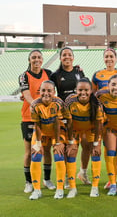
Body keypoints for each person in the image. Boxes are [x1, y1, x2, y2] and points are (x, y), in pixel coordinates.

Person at [50, 47, 87, 187]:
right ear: (60, 58)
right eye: (64, 55)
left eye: (69, 55)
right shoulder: (55, 75)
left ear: (73, 57)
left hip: (79, 115)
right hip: (63, 117)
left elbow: (85, 89)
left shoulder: (79, 72)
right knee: (66, 147)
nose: (67, 57)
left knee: (80, 145)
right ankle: (66, 176)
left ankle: (81, 172)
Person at [19, 50, 54, 194]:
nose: (36, 60)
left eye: (39, 57)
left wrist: (77, 69)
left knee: (46, 149)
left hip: (47, 118)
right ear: (29, 60)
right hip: (29, 117)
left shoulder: (49, 73)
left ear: (42, 59)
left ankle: (46, 179)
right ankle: (29, 182)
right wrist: (35, 105)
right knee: (30, 151)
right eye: (33, 57)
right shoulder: (24, 76)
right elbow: (26, 93)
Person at [29, 80, 69, 200]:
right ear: (39, 91)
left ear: (54, 92)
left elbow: (58, 123)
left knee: (58, 154)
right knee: (36, 154)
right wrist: (39, 143)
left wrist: (58, 142)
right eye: (43, 90)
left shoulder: (58, 103)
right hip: (42, 130)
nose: (46, 93)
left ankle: (60, 188)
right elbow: (37, 124)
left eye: (49, 91)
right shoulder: (35, 105)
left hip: (57, 131)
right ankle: (36, 190)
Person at [92, 48, 117, 188]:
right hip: (104, 119)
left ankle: (116, 177)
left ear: (116, 58)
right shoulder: (97, 75)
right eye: (106, 56)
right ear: (103, 58)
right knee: (109, 149)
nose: (109, 59)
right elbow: (93, 96)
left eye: (111, 56)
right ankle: (111, 179)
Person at [65, 78, 104, 197]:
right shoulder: (70, 101)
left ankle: (94, 186)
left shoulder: (96, 104)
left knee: (95, 152)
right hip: (75, 129)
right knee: (71, 152)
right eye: (80, 90)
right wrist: (71, 142)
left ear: (91, 91)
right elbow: (69, 123)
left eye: (86, 90)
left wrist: (97, 144)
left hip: (90, 129)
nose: (83, 93)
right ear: (75, 90)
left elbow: (98, 125)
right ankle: (72, 186)